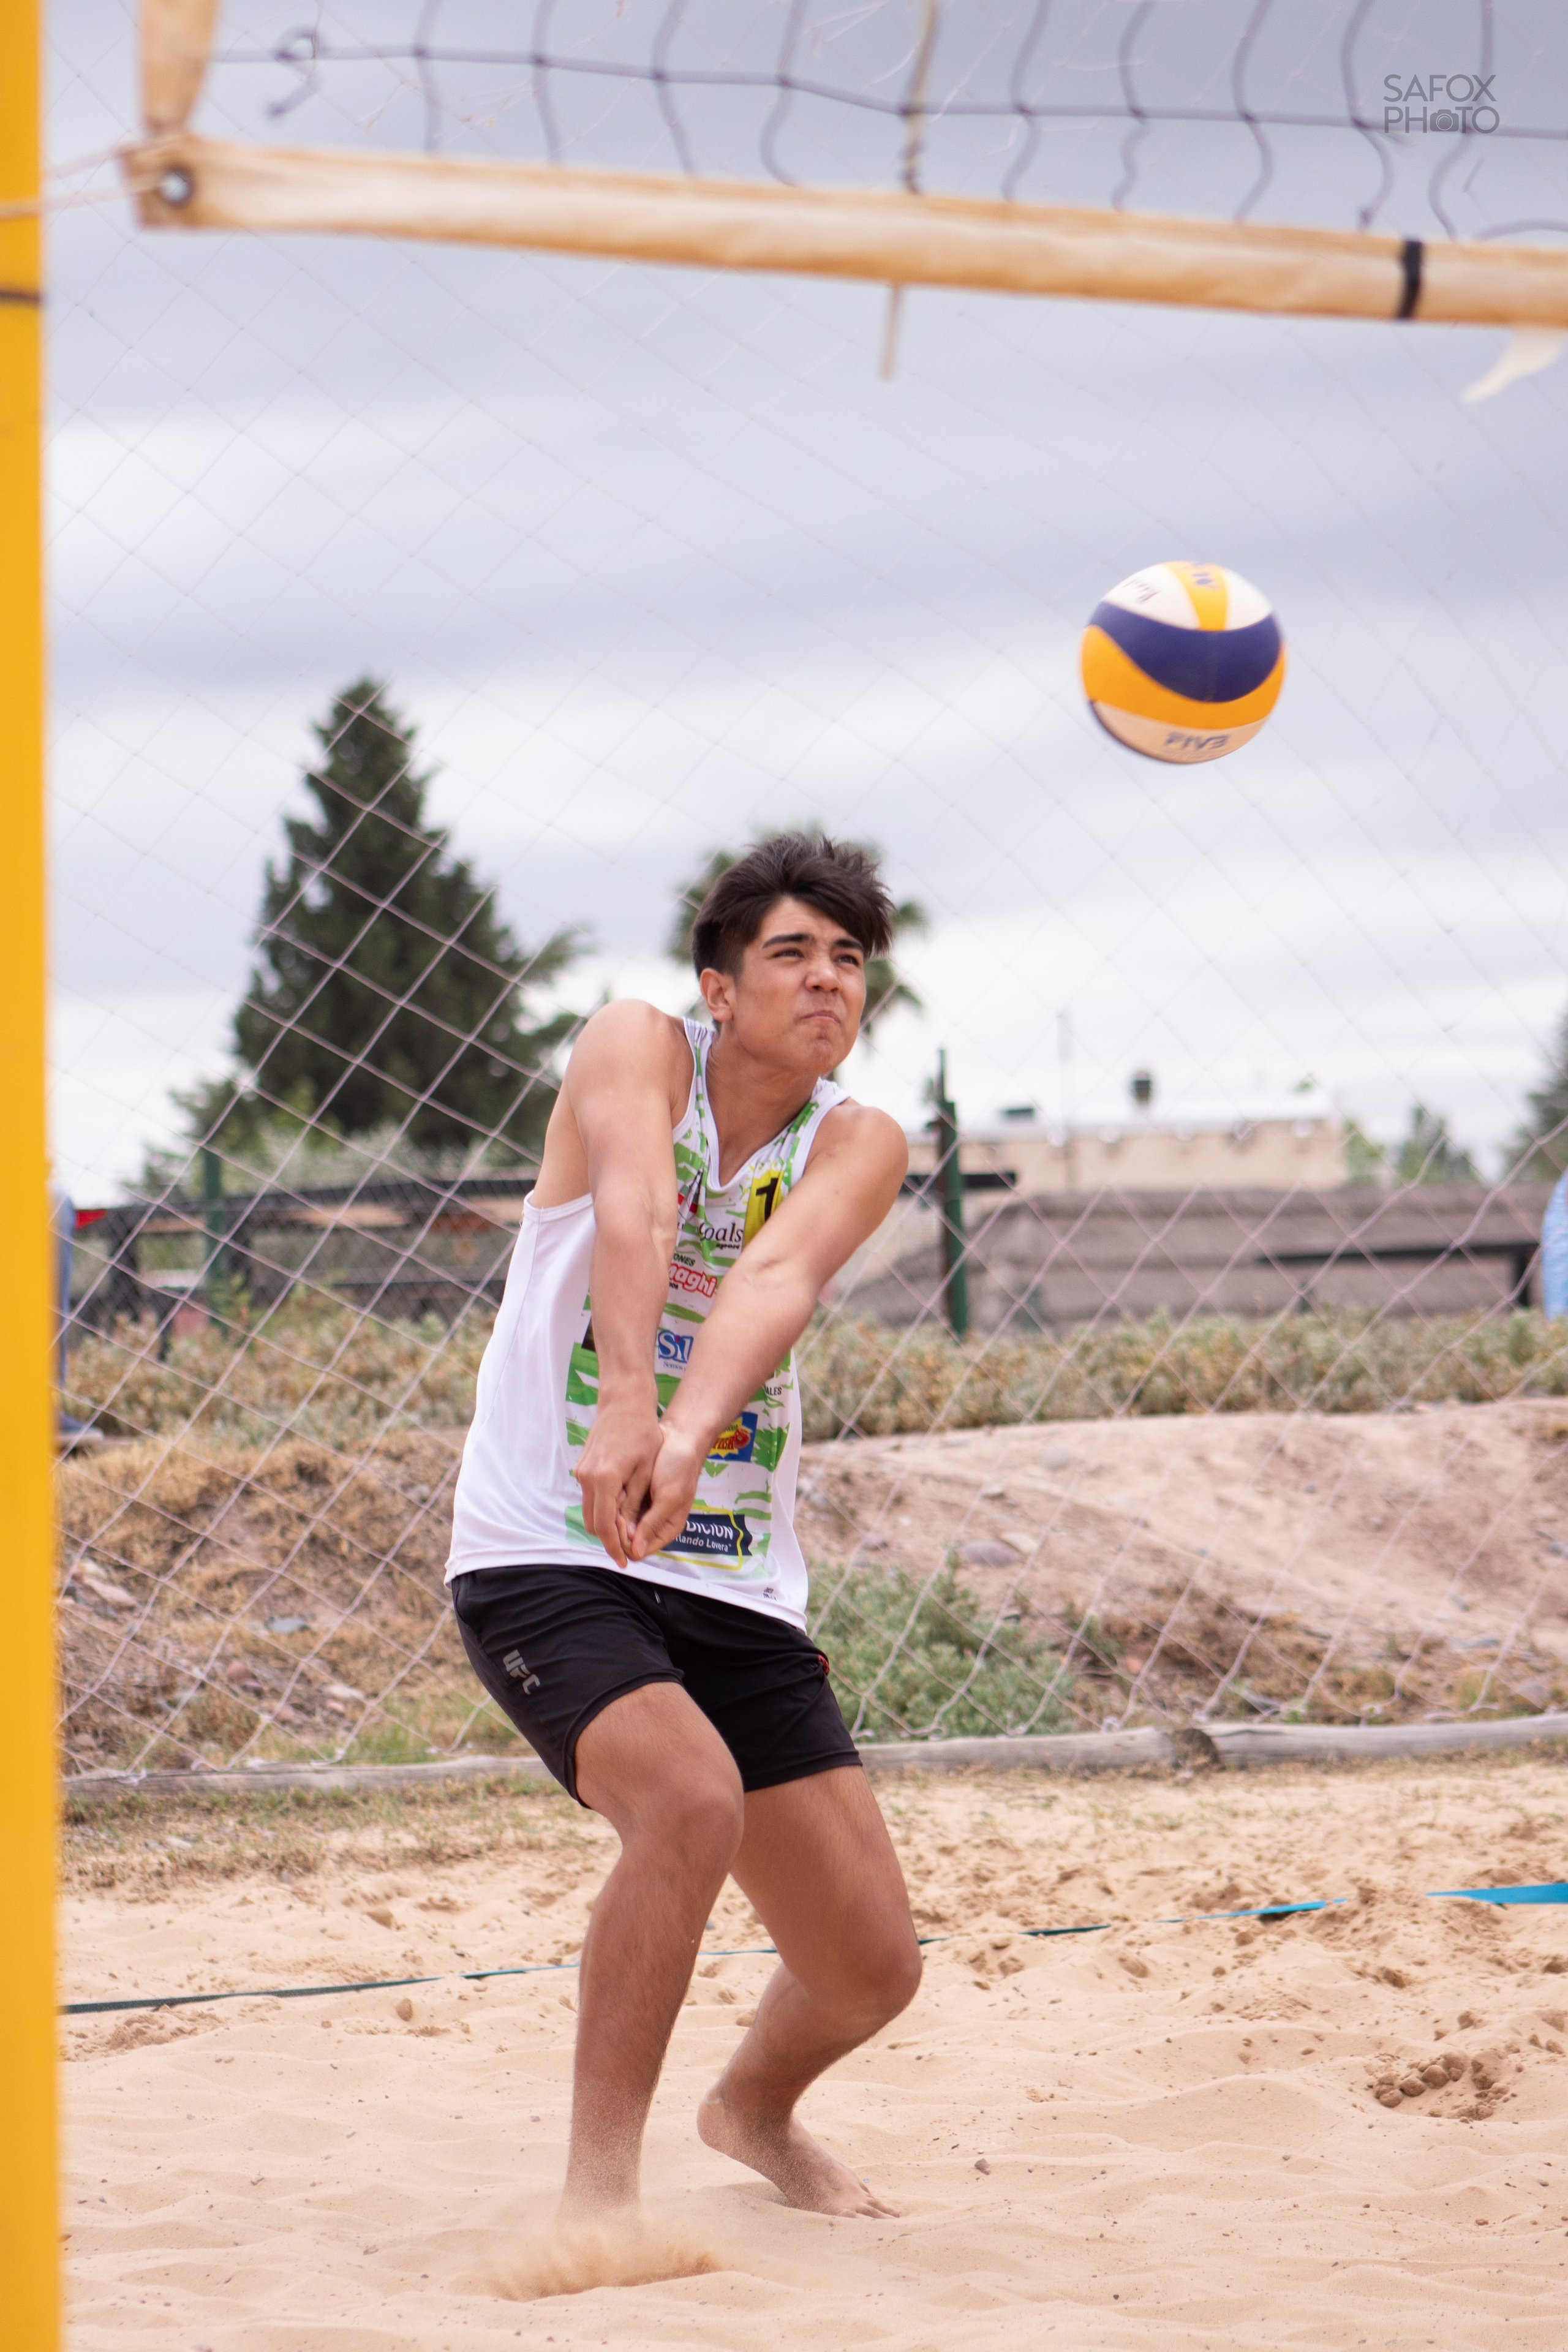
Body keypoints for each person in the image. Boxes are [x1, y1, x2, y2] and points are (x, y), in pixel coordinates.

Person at [446, 833, 921, 2222]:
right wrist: (624, 1411)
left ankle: (751, 2110)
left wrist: (687, 1431)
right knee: (689, 1801)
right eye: (791, 952)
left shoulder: (861, 1139)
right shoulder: (633, 1046)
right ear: (716, 986)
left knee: (869, 1967)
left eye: (846, 959)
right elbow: (638, 1209)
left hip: (728, 1571)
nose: (825, 979)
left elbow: (772, 1276)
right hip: (547, 1540)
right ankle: (599, 2197)